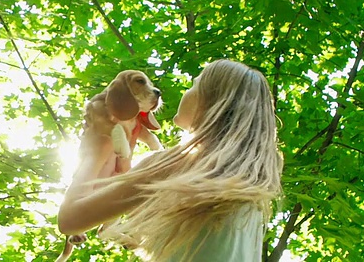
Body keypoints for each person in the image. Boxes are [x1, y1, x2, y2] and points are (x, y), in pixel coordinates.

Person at [57, 59, 283, 261]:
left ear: (210, 101)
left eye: (194, 85)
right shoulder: (251, 185)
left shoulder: (170, 167)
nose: (187, 92)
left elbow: (69, 221)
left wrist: (95, 151)